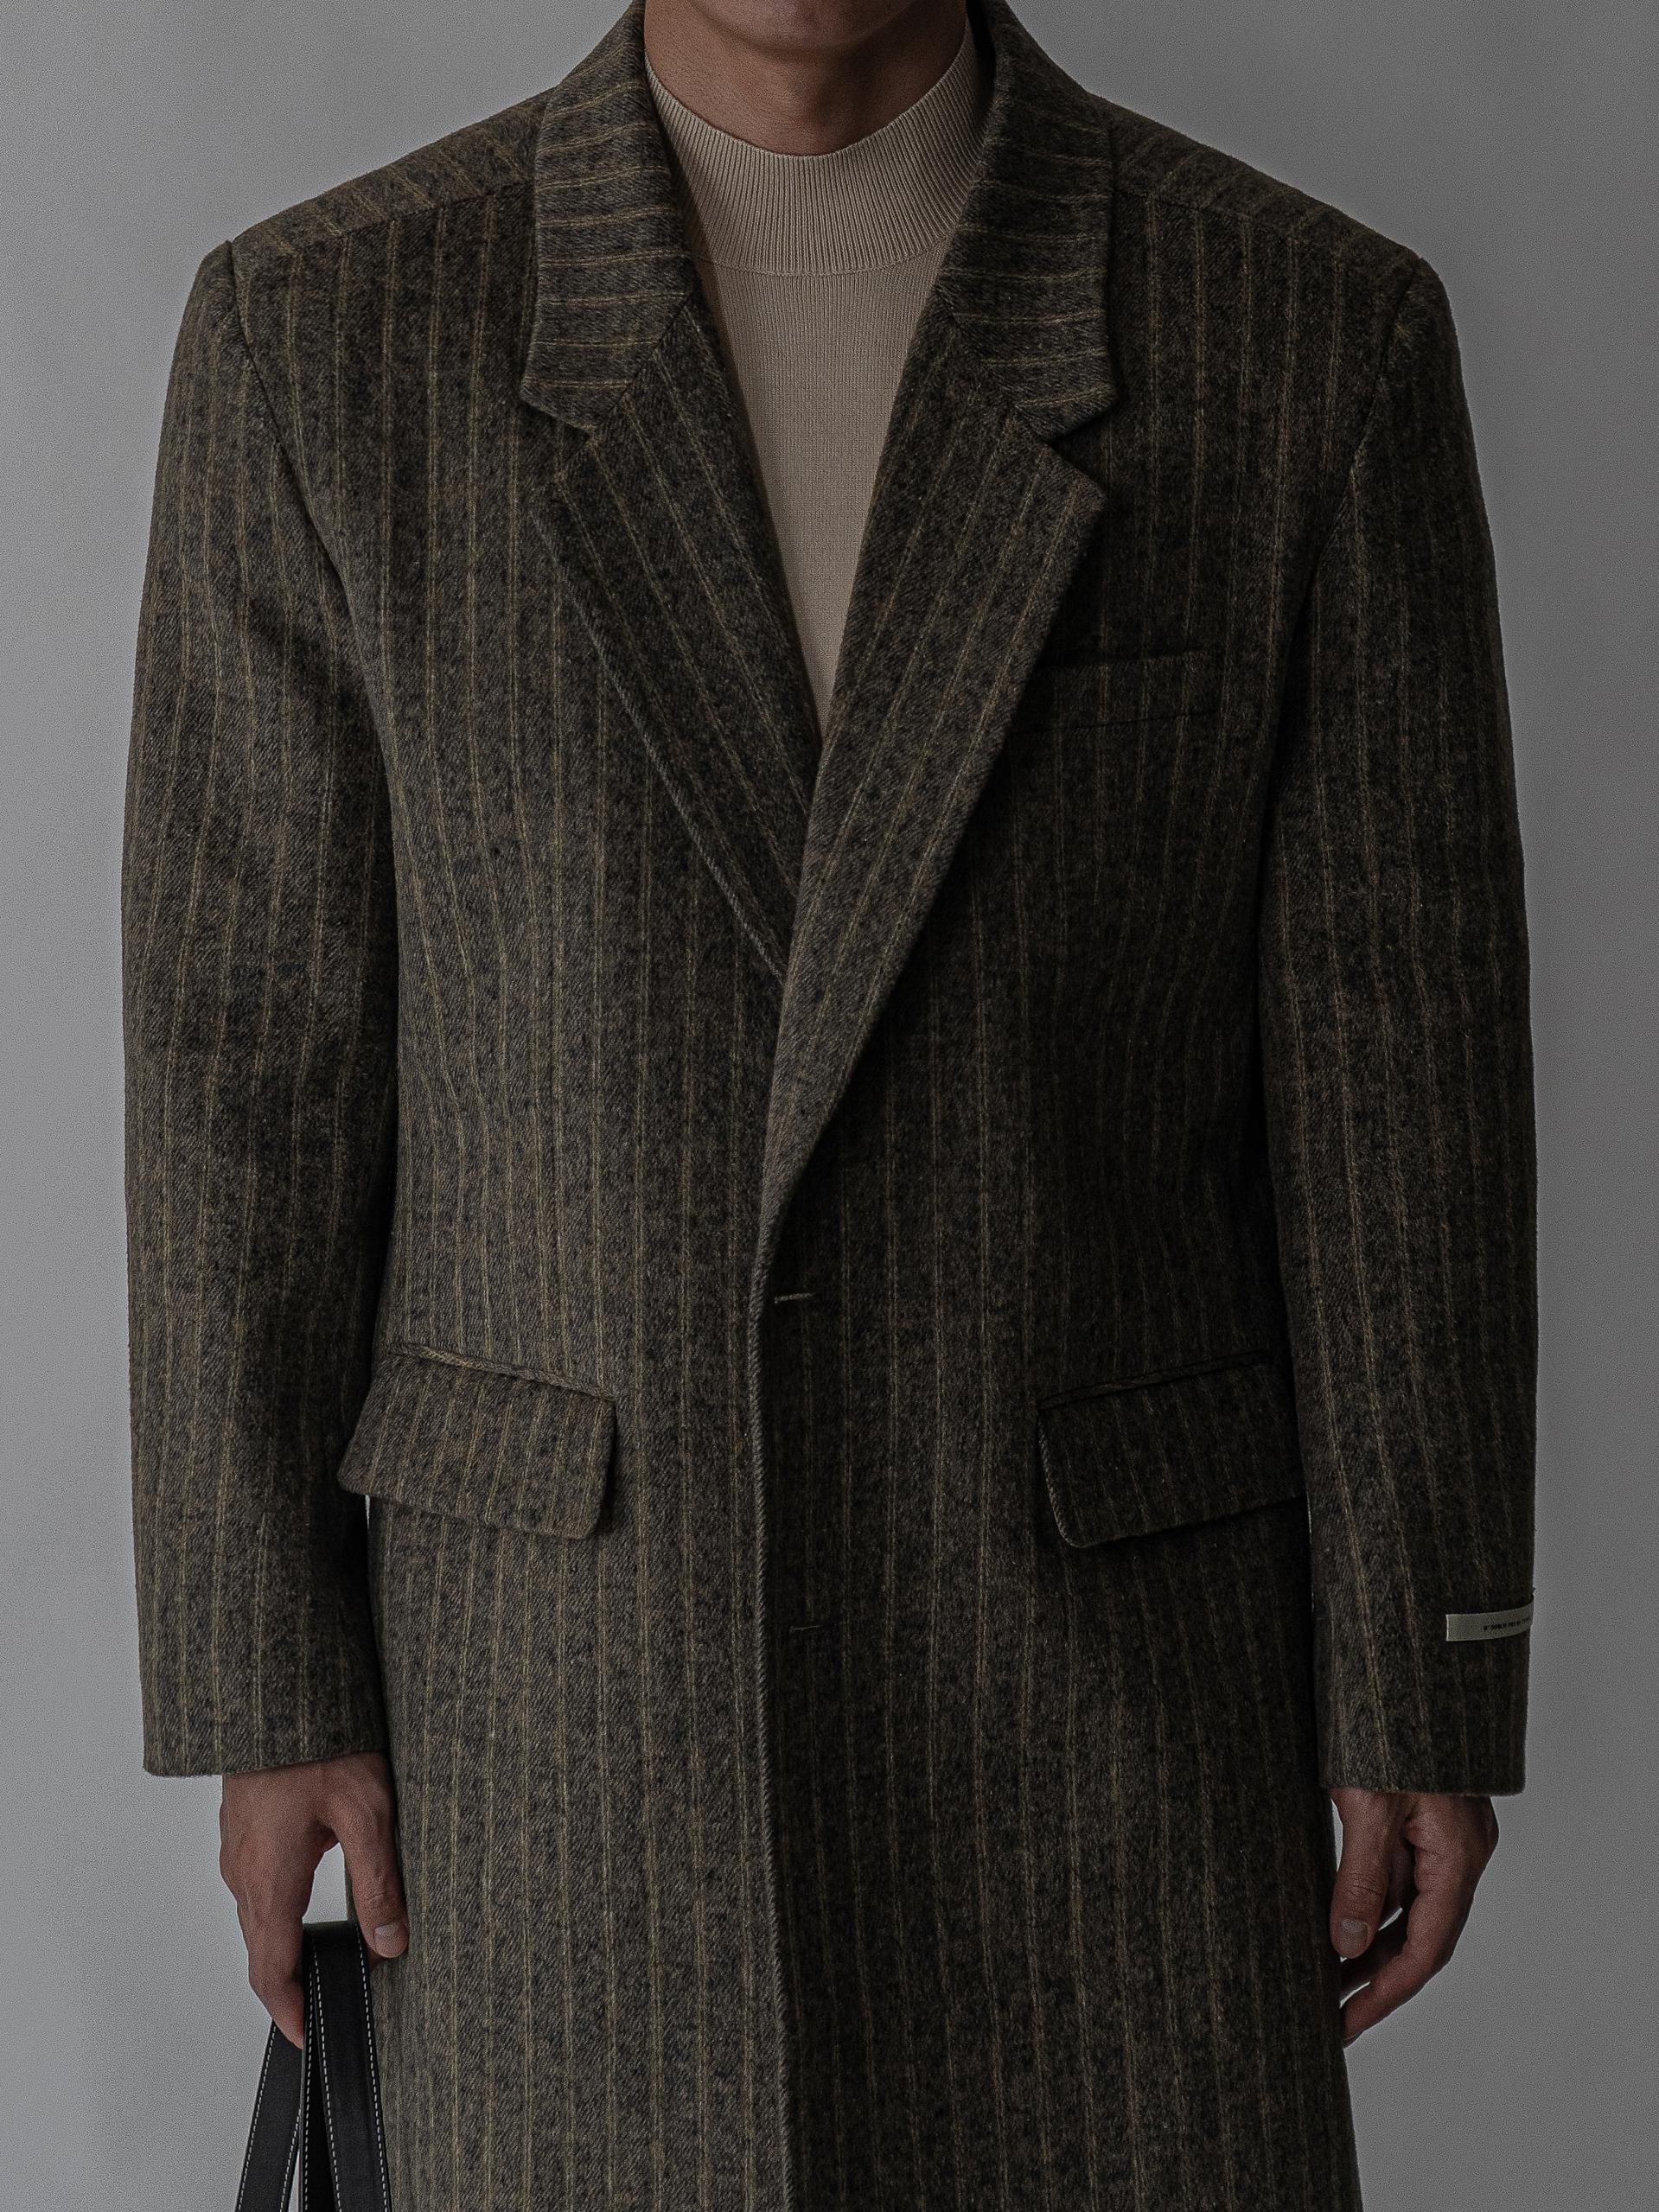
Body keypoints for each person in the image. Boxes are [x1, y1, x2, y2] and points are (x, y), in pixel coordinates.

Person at [120, 0, 1536, 2203]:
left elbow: (1400, 1069)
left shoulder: (1305, 333)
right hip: (555, 1717)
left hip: (1109, 1696)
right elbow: (245, 1064)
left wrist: (1427, 1667)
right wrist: (264, 1669)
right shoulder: (326, 334)